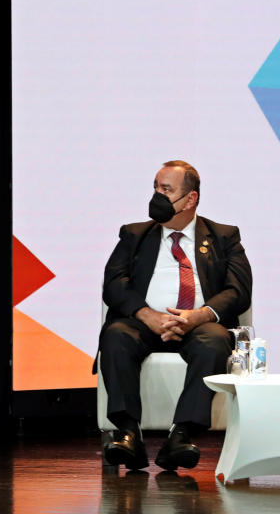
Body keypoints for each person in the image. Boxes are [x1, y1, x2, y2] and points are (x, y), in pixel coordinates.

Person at [99, 160, 252, 471]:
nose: (157, 196)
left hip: (198, 325)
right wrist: (147, 314)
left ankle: (181, 435)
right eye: (155, 187)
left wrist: (198, 316)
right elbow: (114, 285)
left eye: (166, 190)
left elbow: (238, 291)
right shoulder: (134, 235)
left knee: (215, 341)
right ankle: (128, 434)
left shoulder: (224, 237)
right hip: (144, 323)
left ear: (190, 199)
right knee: (116, 334)